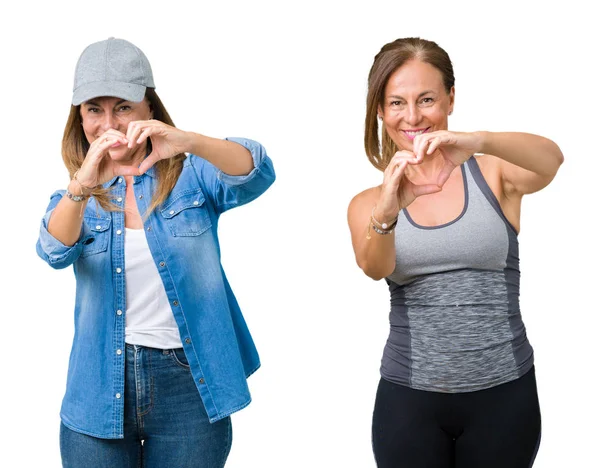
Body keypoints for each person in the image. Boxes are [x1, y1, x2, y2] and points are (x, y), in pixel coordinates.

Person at [36, 37, 275, 468]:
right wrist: (82, 185)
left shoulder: (192, 176)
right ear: (80, 117)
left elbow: (257, 171)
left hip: (187, 385)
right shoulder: (77, 196)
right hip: (99, 389)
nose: (108, 122)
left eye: (123, 107)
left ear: (148, 107)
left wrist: (188, 142)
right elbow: (53, 249)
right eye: (94, 109)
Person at [347, 37, 563, 468]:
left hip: (505, 395)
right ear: (380, 111)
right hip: (409, 401)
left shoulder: (493, 173)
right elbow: (375, 267)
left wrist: (477, 141)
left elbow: (551, 160)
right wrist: (389, 208)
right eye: (396, 103)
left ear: (450, 98)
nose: (412, 116)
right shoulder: (368, 204)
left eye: (426, 99)